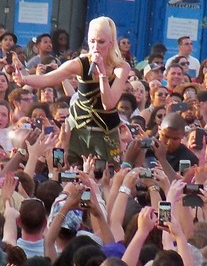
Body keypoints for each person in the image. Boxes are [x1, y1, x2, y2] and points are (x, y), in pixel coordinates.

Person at [14, 17, 131, 166]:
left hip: (105, 132)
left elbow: (109, 104)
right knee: (57, 164)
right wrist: (24, 79)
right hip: (76, 126)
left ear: (111, 43)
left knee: (103, 174)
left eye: (101, 42)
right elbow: (48, 79)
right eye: (92, 41)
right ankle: (53, 176)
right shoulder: (80, 63)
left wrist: (102, 74)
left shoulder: (121, 67)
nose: (95, 47)